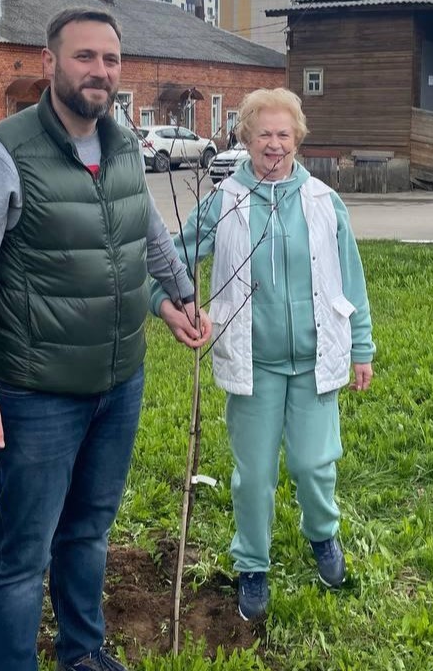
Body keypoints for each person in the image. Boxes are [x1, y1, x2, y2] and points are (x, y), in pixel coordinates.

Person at [0, 8, 211, 671]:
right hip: (37, 394)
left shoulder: (121, 145)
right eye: (85, 56)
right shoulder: (0, 156)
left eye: (111, 60)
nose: (100, 71)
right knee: (22, 553)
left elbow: (145, 232)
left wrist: (178, 296)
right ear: (49, 64)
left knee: (88, 532)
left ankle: (82, 652)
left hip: (119, 382)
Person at [150, 87, 375, 622]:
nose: (273, 145)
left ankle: (323, 536)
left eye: (283, 134)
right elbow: (172, 257)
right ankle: (253, 564)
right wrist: (167, 302)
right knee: (254, 475)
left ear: (297, 138)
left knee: (313, 463)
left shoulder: (322, 201)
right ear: (246, 138)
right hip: (254, 361)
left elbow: (351, 278)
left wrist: (361, 346)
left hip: (315, 358)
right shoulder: (224, 200)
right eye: (263, 134)